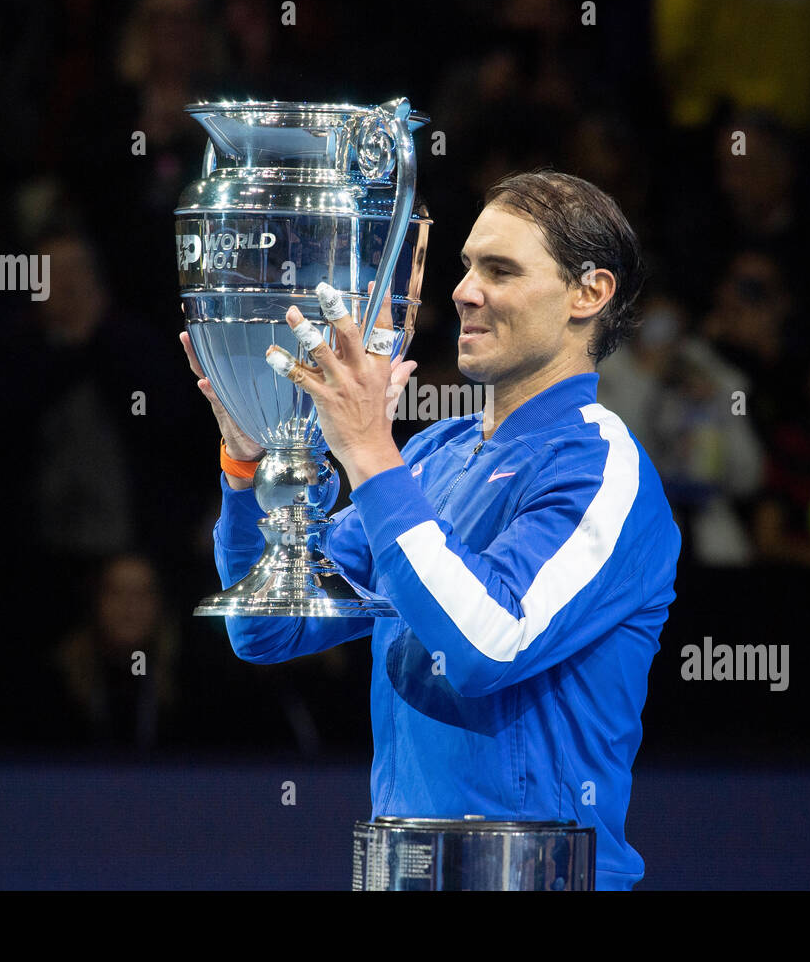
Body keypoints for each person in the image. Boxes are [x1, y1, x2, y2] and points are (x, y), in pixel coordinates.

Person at [180, 170, 681, 890]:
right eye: (468, 266)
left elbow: (487, 644)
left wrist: (367, 453)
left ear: (588, 294)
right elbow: (267, 632)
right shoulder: (432, 455)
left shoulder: (603, 469)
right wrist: (250, 462)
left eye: (500, 270)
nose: (465, 290)